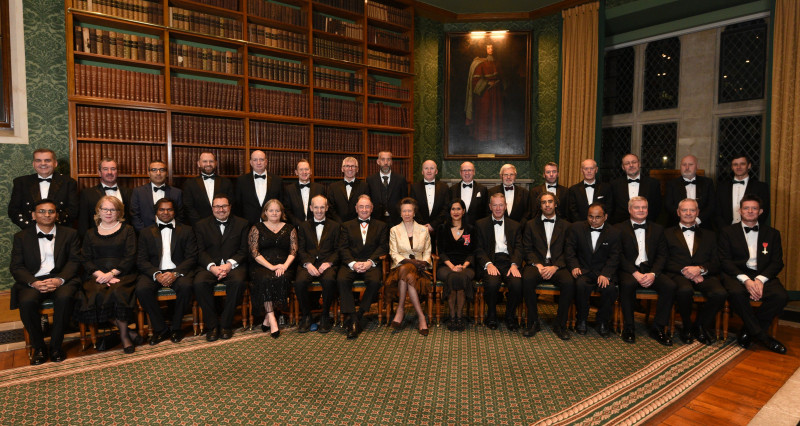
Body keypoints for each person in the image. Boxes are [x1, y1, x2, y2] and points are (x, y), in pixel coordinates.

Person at [9, 199, 81, 364]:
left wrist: (59, 280)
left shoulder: (70, 234)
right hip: (34, 280)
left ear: (56, 215)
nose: (47, 215)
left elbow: (74, 262)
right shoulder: (21, 237)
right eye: (42, 211)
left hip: (61, 278)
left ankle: (56, 346)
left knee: (64, 298)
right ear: (33, 215)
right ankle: (39, 347)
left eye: (51, 211)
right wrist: (33, 282)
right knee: (26, 302)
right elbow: (17, 267)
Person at [718, 194, 786, 354]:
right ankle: (763, 337)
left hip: (763, 274)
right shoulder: (727, 232)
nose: (750, 211)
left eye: (754, 208)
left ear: (760, 211)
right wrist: (747, 281)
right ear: (740, 211)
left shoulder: (773, 234)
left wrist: (760, 280)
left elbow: (777, 262)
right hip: (737, 274)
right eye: (746, 208)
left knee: (780, 296)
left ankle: (749, 330)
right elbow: (724, 261)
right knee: (736, 293)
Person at [76, 196, 140, 353]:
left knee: (117, 291)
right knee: (95, 293)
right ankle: (129, 332)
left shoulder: (128, 230)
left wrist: (111, 274)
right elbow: (85, 258)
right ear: (99, 211)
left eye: (113, 209)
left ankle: (125, 337)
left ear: (119, 212)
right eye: (105, 209)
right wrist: (101, 275)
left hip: (122, 273)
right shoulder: (90, 233)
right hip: (97, 275)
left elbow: (130, 256)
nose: (109, 212)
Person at [134, 198, 197, 345]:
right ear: (156, 212)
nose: (165, 212)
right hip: (155, 271)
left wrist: (174, 273)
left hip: (177, 271)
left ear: (174, 212)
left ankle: (176, 328)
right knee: (142, 289)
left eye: (169, 209)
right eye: (162, 209)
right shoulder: (145, 233)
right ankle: (161, 329)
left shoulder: (187, 230)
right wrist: (157, 274)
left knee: (186, 286)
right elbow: (141, 260)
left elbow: (191, 257)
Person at [664, 198, 726, 345]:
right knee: (684, 290)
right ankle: (687, 327)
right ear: (678, 212)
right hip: (678, 274)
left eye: (692, 210)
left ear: (697, 212)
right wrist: (686, 271)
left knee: (720, 293)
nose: (688, 213)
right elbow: (664, 260)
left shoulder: (710, 235)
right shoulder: (666, 233)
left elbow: (716, 262)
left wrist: (700, 269)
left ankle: (699, 325)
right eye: (684, 210)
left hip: (703, 274)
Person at [614, 197, 675, 346]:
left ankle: (658, 328)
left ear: (648, 210)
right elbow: (618, 255)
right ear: (630, 210)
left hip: (651, 270)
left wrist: (653, 274)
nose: (641, 210)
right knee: (627, 285)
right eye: (637, 207)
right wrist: (635, 273)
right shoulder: (618, 229)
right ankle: (629, 328)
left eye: (644, 207)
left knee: (670, 286)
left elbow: (662, 255)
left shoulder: (658, 229)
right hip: (629, 271)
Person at [192, 194, 249, 342]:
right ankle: (212, 326)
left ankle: (225, 324)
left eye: (224, 206)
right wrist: (212, 267)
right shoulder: (201, 225)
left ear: (230, 207)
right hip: (210, 267)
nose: (221, 210)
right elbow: (200, 251)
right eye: (217, 206)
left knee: (238, 282)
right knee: (199, 283)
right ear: (212, 208)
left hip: (233, 266)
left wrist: (229, 265)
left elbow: (244, 250)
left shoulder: (242, 224)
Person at [521, 192, 573, 339]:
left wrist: (555, 267)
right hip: (537, 264)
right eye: (544, 202)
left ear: (555, 204)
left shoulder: (567, 226)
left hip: (557, 266)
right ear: (540, 205)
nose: (547, 205)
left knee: (569, 283)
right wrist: (537, 264)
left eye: (550, 202)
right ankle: (533, 322)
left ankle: (560, 324)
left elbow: (569, 251)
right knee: (527, 280)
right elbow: (527, 249)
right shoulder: (531, 225)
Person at [565, 202, 621, 337]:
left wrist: (606, 274)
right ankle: (582, 319)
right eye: (590, 217)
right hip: (583, 270)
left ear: (605, 217)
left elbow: (615, 256)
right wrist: (574, 266)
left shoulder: (614, 232)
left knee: (609, 289)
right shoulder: (576, 228)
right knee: (580, 285)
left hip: (602, 271)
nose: (593, 220)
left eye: (597, 217)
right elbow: (569, 250)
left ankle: (602, 321)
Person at [337, 195, 388, 339]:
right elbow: (343, 248)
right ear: (356, 209)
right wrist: (353, 263)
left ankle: (358, 315)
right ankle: (353, 316)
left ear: (372, 209)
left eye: (367, 207)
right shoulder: (346, 226)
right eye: (361, 207)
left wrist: (369, 262)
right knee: (341, 279)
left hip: (370, 264)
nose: (364, 209)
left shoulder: (381, 225)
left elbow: (383, 247)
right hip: (351, 263)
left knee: (375, 281)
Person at [473, 193, 523, 331]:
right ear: (490, 207)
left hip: (509, 262)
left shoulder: (515, 225)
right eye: (495, 205)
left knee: (517, 284)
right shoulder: (481, 224)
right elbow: (478, 249)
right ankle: (492, 315)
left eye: (501, 205)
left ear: (506, 206)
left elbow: (519, 248)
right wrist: (488, 264)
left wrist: (514, 265)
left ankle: (510, 316)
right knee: (492, 283)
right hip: (491, 261)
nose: (498, 208)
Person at [248, 199, 297, 339]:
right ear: (265, 212)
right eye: (271, 210)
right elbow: (254, 252)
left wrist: (284, 266)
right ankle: (273, 319)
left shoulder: (290, 228)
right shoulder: (256, 228)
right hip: (262, 265)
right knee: (266, 278)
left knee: (282, 277)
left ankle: (267, 319)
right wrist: (271, 266)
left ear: (281, 212)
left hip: (284, 265)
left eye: (277, 210)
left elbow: (293, 251)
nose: (274, 213)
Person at [386, 198, 432, 336]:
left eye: (409, 211)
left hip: (420, 269)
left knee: (407, 275)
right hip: (400, 267)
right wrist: (411, 262)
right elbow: (393, 253)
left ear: (414, 213)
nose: (406, 213)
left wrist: (424, 262)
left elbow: (428, 251)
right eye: (404, 211)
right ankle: (421, 317)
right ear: (400, 213)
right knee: (407, 272)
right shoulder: (394, 230)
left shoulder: (423, 230)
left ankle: (400, 309)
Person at [294, 195, 340, 333]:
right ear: (311, 208)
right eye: (316, 207)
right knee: (300, 282)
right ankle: (306, 316)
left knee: (329, 280)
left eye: (322, 207)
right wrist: (307, 264)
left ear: (326, 208)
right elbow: (300, 249)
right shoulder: (303, 226)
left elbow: (339, 249)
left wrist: (329, 262)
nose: (319, 211)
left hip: (327, 264)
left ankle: (325, 316)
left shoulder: (335, 226)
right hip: (309, 263)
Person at [8, 148, 78, 229]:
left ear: (55, 163)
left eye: (47, 160)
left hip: (60, 232)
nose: (43, 163)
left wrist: (52, 228)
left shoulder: (68, 182)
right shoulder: (21, 182)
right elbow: (13, 211)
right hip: (30, 231)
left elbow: (73, 210)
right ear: (33, 164)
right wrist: (33, 229)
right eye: (38, 160)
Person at [436, 199, 476, 332]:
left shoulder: (470, 229)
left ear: (463, 211)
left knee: (460, 276)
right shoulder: (442, 228)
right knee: (454, 276)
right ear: (449, 211)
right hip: (446, 266)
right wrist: (452, 266)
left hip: (466, 266)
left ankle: (459, 317)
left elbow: (473, 252)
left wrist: (463, 266)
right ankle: (453, 317)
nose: (456, 212)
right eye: (453, 209)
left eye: (459, 209)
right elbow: (441, 252)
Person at [78, 157, 132, 236]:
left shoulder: (129, 192)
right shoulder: (87, 194)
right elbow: (83, 223)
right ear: (99, 172)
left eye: (113, 169)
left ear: (117, 172)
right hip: (98, 240)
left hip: (124, 239)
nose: (110, 172)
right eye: (105, 169)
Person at [716, 154, 770, 229]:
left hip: (751, 229)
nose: (738, 167)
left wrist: (752, 227)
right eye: (735, 164)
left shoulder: (761, 187)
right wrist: (725, 230)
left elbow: (764, 211)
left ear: (749, 165)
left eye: (742, 164)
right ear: (732, 167)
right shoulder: (721, 187)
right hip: (726, 231)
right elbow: (717, 211)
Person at [130, 160, 184, 232]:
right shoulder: (138, 192)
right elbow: (134, 216)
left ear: (166, 173)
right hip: (145, 235)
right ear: (148, 173)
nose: (158, 173)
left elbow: (180, 216)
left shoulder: (177, 192)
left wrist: (172, 232)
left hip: (171, 234)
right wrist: (144, 233)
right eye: (154, 170)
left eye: (162, 170)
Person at [182, 152, 234, 226]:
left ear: (216, 163)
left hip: (222, 224)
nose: (208, 164)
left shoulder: (226, 182)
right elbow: (188, 206)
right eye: (205, 161)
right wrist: (200, 224)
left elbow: (230, 204)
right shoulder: (189, 184)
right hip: (198, 226)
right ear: (199, 164)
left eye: (211, 161)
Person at [664, 155, 715, 229]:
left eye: (690, 164)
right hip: (676, 225)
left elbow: (711, 205)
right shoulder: (671, 184)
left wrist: (697, 220)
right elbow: (668, 206)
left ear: (697, 166)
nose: (687, 167)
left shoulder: (707, 183)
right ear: (680, 167)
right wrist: (684, 220)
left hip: (703, 225)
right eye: (684, 165)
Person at [465, 43, 503, 143]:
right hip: (484, 95)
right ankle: (482, 138)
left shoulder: (494, 61)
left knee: (494, 114)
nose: (491, 49)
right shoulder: (478, 63)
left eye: (492, 47)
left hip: (495, 93)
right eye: (488, 48)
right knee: (484, 115)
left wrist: (498, 81)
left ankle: (493, 138)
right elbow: (475, 81)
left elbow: (500, 76)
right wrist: (487, 83)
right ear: (483, 49)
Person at [609, 154, 662, 224]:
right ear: (623, 167)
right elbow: (611, 207)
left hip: (647, 226)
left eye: (634, 162)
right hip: (620, 227)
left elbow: (657, 207)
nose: (631, 165)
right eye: (627, 163)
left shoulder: (653, 183)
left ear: (639, 164)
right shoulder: (614, 184)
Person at [235, 150, 283, 226]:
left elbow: (281, 204)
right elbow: (237, 206)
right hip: (248, 225)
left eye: (261, 159)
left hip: (272, 225)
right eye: (255, 160)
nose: (258, 163)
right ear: (251, 162)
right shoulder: (241, 181)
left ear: (266, 162)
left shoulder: (277, 180)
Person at [366, 151, 408, 226]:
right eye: (383, 159)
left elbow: (404, 201)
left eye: (388, 159)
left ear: (391, 162)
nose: (386, 162)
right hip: (376, 221)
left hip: (396, 221)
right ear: (378, 162)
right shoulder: (370, 180)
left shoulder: (400, 179)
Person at [410, 160, 450, 236]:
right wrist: (423, 225)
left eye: (432, 168)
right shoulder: (414, 187)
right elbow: (413, 208)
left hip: (439, 228)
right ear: (422, 171)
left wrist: (433, 225)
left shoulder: (444, 187)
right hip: (419, 228)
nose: (429, 171)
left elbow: (446, 208)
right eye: (426, 168)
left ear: (436, 171)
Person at [283, 159, 326, 228]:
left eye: (306, 169)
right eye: (301, 170)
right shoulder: (289, 189)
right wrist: (299, 224)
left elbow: (324, 208)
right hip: (296, 228)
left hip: (315, 227)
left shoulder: (320, 188)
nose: (304, 172)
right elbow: (287, 210)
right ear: (296, 172)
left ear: (311, 171)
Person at [567, 159, 613, 223]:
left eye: (592, 168)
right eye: (586, 169)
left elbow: (609, 208)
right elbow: (572, 211)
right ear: (581, 170)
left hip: (601, 227)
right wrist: (582, 226)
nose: (589, 171)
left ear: (596, 170)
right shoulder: (573, 190)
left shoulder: (606, 188)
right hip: (580, 228)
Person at [327, 157, 368, 223]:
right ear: (342, 169)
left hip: (357, 225)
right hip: (338, 225)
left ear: (357, 169)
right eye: (347, 166)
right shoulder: (333, 187)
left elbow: (366, 207)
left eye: (353, 166)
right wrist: (339, 222)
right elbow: (331, 208)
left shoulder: (364, 186)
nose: (350, 169)